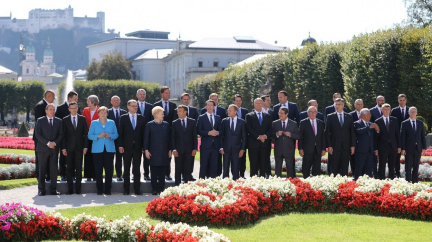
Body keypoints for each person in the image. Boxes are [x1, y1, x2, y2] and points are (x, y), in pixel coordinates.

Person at [88, 106, 118, 195]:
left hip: (109, 149)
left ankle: (108, 189)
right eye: (101, 112)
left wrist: (110, 135)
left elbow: (116, 134)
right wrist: (98, 136)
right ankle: (99, 189)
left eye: (105, 112)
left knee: (109, 170)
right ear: (98, 114)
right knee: (98, 170)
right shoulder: (94, 123)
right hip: (97, 150)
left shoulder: (112, 122)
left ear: (107, 114)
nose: (103, 114)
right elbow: (89, 136)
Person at [118, 100, 146, 195]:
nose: (135, 107)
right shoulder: (123, 118)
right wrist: (120, 145)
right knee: (126, 169)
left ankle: (137, 189)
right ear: (128, 106)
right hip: (126, 147)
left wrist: (144, 147)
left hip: (138, 147)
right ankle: (126, 189)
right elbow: (120, 133)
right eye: (133, 106)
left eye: (136, 106)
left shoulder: (142, 118)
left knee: (137, 169)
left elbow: (144, 134)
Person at [34, 103, 63, 196]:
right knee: (42, 170)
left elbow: (61, 134)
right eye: (50, 109)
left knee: (54, 170)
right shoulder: (40, 120)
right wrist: (48, 143)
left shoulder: (59, 121)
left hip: (54, 149)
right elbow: (37, 134)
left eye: (53, 109)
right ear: (46, 111)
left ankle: (53, 190)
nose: (52, 111)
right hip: (42, 149)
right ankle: (41, 190)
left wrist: (54, 143)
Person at [61, 102, 88, 195]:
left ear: (77, 108)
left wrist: (85, 147)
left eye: (75, 108)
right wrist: (63, 148)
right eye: (71, 108)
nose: (73, 110)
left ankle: (78, 189)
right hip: (69, 148)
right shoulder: (64, 120)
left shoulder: (82, 119)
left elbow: (85, 134)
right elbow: (63, 135)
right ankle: (70, 189)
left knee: (79, 168)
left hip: (80, 148)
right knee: (69, 169)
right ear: (69, 109)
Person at [144, 106, 172, 195]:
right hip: (153, 152)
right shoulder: (149, 125)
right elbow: (146, 139)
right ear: (156, 114)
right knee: (154, 172)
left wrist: (170, 150)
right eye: (161, 113)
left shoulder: (166, 125)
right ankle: (154, 189)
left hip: (164, 152)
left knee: (162, 172)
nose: (163, 115)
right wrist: (146, 150)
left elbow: (169, 139)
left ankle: (161, 189)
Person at [325, 98, 355, 176]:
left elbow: (352, 132)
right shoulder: (330, 116)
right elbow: (327, 132)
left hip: (346, 146)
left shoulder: (349, 116)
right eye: (336, 104)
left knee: (344, 168)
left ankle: (344, 186)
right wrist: (329, 146)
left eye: (339, 104)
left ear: (343, 105)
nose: (337, 106)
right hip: (334, 146)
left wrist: (352, 145)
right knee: (334, 168)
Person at [172, 93, 199, 181]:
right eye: (177, 111)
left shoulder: (192, 122)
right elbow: (173, 137)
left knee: (188, 169)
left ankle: (186, 186)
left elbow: (194, 136)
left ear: (185, 112)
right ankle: (177, 187)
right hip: (178, 150)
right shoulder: (175, 123)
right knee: (178, 169)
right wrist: (174, 149)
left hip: (189, 149)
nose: (177, 113)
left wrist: (195, 148)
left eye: (179, 111)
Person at [55, 90, 80, 181]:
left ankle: (73, 174)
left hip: (74, 138)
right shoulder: (60, 108)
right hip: (64, 136)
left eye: (77, 99)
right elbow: (57, 121)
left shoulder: (78, 108)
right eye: (75, 99)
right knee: (63, 156)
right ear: (69, 98)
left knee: (74, 156)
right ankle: (63, 174)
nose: (76, 101)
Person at [154, 86, 177, 181]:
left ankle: (168, 173)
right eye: (166, 93)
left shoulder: (173, 105)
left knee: (168, 154)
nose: (168, 95)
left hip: (170, 133)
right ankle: (158, 174)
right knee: (158, 153)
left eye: (169, 93)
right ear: (162, 94)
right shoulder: (156, 105)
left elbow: (175, 119)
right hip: (159, 133)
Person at [245, 98, 272, 177]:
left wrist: (265, 136)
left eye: (260, 103)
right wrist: (258, 137)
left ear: (262, 105)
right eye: (257, 103)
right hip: (253, 144)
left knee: (263, 164)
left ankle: (262, 181)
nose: (258, 105)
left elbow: (270, 128)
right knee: (253, 164)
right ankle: (253, 182)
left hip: (264, 144)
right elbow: (249, 128)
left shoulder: (267, 116)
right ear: (254, 105)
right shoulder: (249, 116)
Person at [272, 106, 300, 178]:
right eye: (279, 113)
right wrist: (276, 134)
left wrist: (290, 134)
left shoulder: (293, 124)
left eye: (282, 113)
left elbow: (298, 136)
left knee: (290, 170)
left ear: (286, 114)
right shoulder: (275, 123)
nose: (280, 115)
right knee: (277, 170)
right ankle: (277, 185)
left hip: (289, 150)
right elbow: (271, 136)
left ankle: (289, 185)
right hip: (278, 150)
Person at [33, 90, 55, 182]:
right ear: (49, 96)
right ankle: (40, 179)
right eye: (53, 97)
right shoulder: (40, 105)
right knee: (40, 159)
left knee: (49, 157)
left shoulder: (45, 105)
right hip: (41, 138)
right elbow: (39, 124)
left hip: (48, 137)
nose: (54, 99)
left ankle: (48, 177)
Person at [220, 104, 246, 180]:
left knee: (236, 168)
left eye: (230, 110)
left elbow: (244, 137)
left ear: (235, 112)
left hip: (237, 149)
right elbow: (222, 136)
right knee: (225, 168)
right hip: (226, 149)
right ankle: (225, 183)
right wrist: (221, 147)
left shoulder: (242, 122)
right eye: (228, 110)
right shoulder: (224, 121)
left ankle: (235, 183)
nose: (228, 111)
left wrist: (242, 149)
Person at [298, 106, 326, 178]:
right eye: (311, 112)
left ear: (316, 113)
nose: (312, 113)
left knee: (316, 168)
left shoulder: (321, 123)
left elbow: (323, 137)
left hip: (318, 149)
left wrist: (323, 149)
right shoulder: (303, 122)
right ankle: (305, 183)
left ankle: (315, 183)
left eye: (314, 112)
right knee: (306, 167)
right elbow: (300, 137)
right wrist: (300, 149)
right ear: (307, 113)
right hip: (307, 149)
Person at [400, 107, 426, 183]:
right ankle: (408, 181)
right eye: (411, 112)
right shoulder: (404, 123)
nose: (413, 113)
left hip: (418, 148)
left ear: (417, 113)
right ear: (408, 113)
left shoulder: (420, 123)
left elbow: (422, 136)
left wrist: (424, 147)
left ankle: (415, 182)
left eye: (414, 112)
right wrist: (403, 148)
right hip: (408, 149)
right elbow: (403, 137)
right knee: (408, 166)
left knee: (416, 166)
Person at [374, 104, 400, 180]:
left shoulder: (394, 120)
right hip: (382, 147)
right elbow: (376, 137)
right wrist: (376, 149)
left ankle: (392, 179)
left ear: (390, 110)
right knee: (382, 164)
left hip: (393, 146)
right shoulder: (378, 121)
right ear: (381, 110)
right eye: (385, 109)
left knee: (392, 165)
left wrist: (399, 146)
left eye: (388, 110)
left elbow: (397, 134)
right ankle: (381, 180)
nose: (386, 111)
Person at [197, 100, 222, 178]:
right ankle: (201, 183)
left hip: (215, 146)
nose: (210, 107)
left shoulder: (218, 118)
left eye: (211, 105)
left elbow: (221, 130)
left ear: (214, 107)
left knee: (214, 165)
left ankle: (212, 183)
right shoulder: (201, 117)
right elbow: (198, 130)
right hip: (205, 145)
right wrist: (208, 133)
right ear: (205, 106)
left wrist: (217, 132)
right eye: (208, 105)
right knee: (204, 165)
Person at [353, 108, 379, 180]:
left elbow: (375, 137)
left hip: (370, 151)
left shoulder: (371, 124)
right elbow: (358, 131)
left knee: (369, 169)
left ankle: (367, 183)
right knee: (359, 168)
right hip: (361, 150)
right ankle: (356, 182)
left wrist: (378, 130)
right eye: (368, 114)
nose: (370, 116)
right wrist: (368, 127)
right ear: (363, 116)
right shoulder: (357, 123)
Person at [107, 96, 127, 181]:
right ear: (111, 102)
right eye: (114, 100)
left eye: (117, 100)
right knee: (109, 158)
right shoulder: (107, 112)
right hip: (110, 138)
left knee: (119, 158)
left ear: (120, 101)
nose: (116, 101)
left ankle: (119, 175)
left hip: (121, 139)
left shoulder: (124, 112)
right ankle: (110, 175)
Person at [136, 88, 154, 181]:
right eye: (140, 94)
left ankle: (146, 174)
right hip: (137, 135)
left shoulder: (150, 106)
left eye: (143, 94)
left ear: (145, 96)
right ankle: (135, 174)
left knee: (147, 156)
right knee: (136, 156)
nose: (142, 96)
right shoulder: (133, 106)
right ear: (137, 96)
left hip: (148, 134)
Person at [390, 94, 409, 178]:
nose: (402, 102)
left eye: (403, 100)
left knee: (408, 157)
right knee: (396, 157)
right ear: (398, 101)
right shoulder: (394, 111)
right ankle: (397, 174)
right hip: (397, 137)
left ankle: (408, 174)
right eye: (400, 100)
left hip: (408, 138)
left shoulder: (410, 110)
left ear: (406, 100)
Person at [82, 95, 100, 181]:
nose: (87, 102)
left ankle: (96, 175)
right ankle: (88, 175)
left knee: (96, 156)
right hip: (88, 136)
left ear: (93, 101)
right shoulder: (85, 110)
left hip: (97, 136)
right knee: (88, 156)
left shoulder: (100, 110)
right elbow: (83, 121)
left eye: (88, 101)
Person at [349, 98, 364, 174]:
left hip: (364, 141)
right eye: (358, 104)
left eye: (361, 104)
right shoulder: (350, 115)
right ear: (355, 105)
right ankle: (354, 174)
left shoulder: (367, 114)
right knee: (354, 159)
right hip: (354, 141)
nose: (359, 106)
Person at [261, 95, 273, 178]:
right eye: (267, 100)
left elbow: (272, 126)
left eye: (269, 100)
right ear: (263, 102)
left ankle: (268, 173)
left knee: (267, 156)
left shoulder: (272, 112)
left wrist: (266, 136)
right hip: (258, 139)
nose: (269, 102)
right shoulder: (255, 111)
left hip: (268, 138)